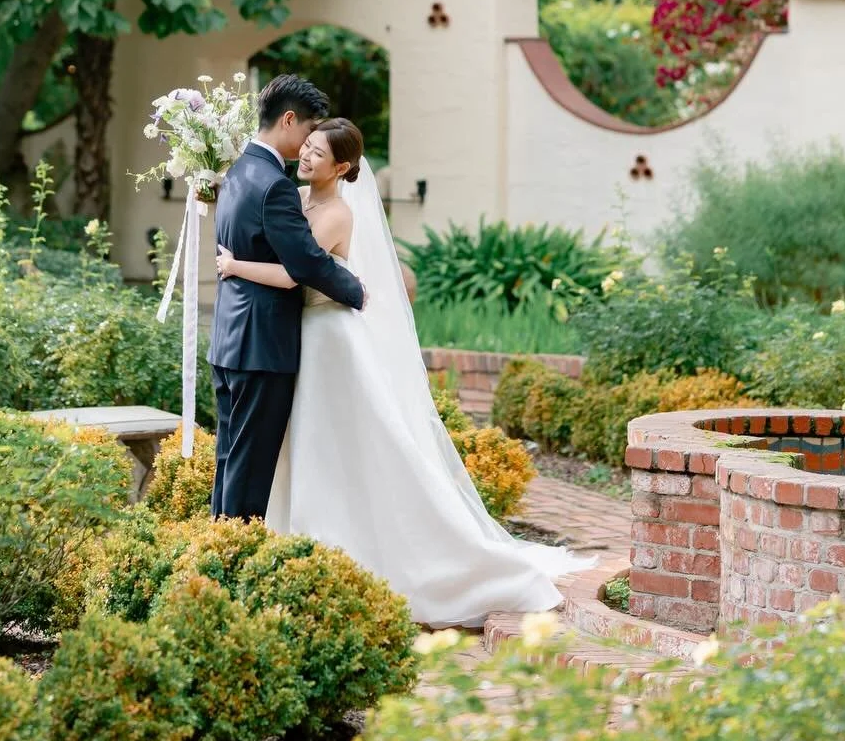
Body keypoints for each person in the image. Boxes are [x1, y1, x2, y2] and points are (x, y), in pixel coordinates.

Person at [216, 113, 586, 626]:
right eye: (308, 147)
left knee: (343, 443)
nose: (306, 155)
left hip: (329, 339)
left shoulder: (336, 215)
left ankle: (379, 554)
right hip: (300, 337)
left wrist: (234, 266)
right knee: (309, 445)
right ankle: (302, 544)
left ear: (341, 166)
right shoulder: (298, 198)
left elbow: (294, 272)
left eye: (319, 152)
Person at [209, 75, 366, 520]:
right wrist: (355, 290)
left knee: (230, 458)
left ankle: (213, 547)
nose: (309, 143)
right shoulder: (275, 184)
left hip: (229, 337)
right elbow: (307, 265)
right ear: (290, 119)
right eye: (308, 131)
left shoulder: (238, 170)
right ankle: (229, 557)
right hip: (262, 346)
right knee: (251, 466)